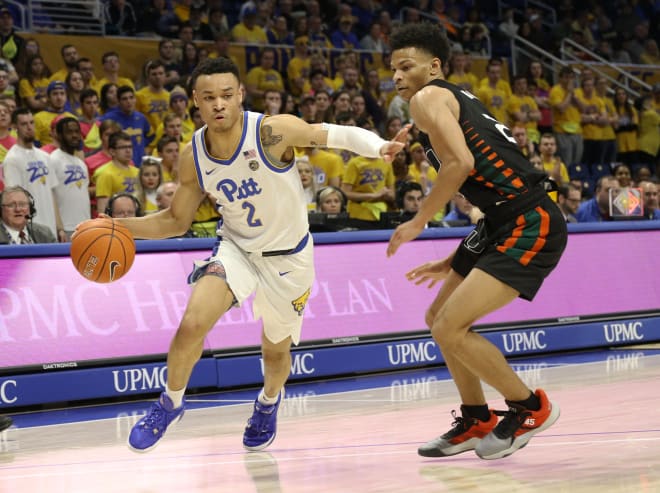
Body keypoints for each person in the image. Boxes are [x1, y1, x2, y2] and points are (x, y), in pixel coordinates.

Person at [83, 57, 404, 453]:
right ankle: (170, 402)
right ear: (195, 104)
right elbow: (175, 221)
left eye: (225, 95)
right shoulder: (193, 155)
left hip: (289, 258)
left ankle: (268, 402)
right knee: (191, 324)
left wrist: (379, 146)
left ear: (239, 97)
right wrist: (118, 227)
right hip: (236, 248)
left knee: (275, 351)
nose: (218, 104)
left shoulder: (271, 131)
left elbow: (332, 134)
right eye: (208, 97)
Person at [385, 23, 567, 460]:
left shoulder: (429, 98)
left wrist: (417, 221)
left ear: (434, 67)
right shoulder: (450, 99)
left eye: (406, 67)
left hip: (529, 220)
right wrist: (455, 257)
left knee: (449, 326)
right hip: (501, 221)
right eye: (392, 68)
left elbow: (460, 164)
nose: (396, 76)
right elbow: (483, 179)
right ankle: (476, 418)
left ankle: (530, 407)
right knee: (438, 318)